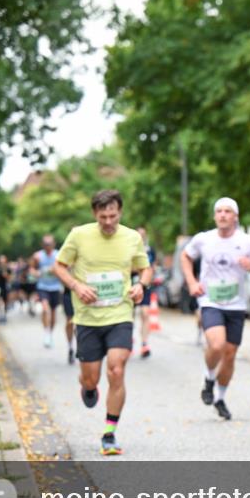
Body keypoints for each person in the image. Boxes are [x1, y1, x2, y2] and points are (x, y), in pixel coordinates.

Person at [53, 189, 151, 456]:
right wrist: (76, 286)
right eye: (103, 217)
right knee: (91, 378)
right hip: (87, 318)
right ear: (94, 214)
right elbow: (59, 266)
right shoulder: (79, 235)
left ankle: (109, 433)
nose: (108, 222)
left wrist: (141, 285)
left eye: (113, 216)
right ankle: (87, 387)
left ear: (120, 212)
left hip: (120, 314)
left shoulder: (132, 237)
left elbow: (145, 268)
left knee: (116, 370)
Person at [181, 197, 250, 421]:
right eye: (219, 211)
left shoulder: (247, 242)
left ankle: (220, 397)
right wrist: (191, 282)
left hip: (236, 304)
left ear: (235, 216)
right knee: (216, 345)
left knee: (229, 355)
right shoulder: (204, 239)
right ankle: (209, 378)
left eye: (228, 211)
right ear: (214, 216)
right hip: (210, 302)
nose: (223, 215)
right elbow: (185, 256)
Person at [33, 236, 63, 347]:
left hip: (55, 287)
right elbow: (32, 269)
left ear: (53, 244)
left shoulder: (59, 255)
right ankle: (46, 333)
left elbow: (64, 268)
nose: (47, 246)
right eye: (45, 244)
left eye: (49, 244)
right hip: (43, 286)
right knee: (45, 309)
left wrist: (55, 270)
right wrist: (35, 273)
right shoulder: (38, 256)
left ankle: (50, 333)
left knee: (53, 312)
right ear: (42, 245)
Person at [133, 227, 157, 358]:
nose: (141, 237)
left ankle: (144, 343)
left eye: (143, 234)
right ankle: (128, 340)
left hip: (145, 285)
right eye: (139, 234)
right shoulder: (128, 248)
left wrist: (149, 275)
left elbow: (152, 267)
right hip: (130, 284)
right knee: (129, 316)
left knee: (145, 313)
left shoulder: (149, 250)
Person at [0, 255, 11, 324]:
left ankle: (4, 315)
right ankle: (0, 314)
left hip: (5, 286)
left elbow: (9, 278)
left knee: (5, 301)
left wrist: (6, 274)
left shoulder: (8, 269)